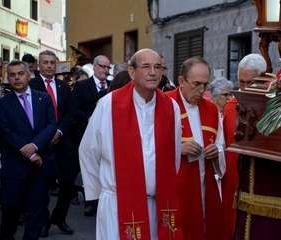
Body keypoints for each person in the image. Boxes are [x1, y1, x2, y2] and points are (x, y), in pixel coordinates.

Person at [79, 48, 184, 239]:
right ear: (131, 71)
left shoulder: (171, 107)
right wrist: (97, 195)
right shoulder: (108, 104)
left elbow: (174, 153)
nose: (153, 72)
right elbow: (88, 150)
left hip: (157, 204)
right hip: (118, 204)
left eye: (158, 67)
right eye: (146, 66)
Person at [166, 56, 226, 239]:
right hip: (176, 186)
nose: (201, 91)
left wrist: (217, 152)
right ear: (181, 81)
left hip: (204, 184)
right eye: (196, 84)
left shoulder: (211, 109)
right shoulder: (164, 104)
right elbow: (148, 146)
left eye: (205, 85)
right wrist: (179, 149)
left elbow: (221, 143)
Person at [0, 60, 56, 240]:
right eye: (12, 75)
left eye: (20, 73)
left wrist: (36, 146)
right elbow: (5, 132)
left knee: (35, 215)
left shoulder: (43, 98)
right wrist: (31, 153)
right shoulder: (3, 103)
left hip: (39, 169)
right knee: (10, 214)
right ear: (8, 77)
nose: (16, 78)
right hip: (14, 168)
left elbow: (51, 125)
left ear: (29, 75)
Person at [29, 50, 76, 237]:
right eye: (45, 62)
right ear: (39, 65)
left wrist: (60, 131)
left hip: (63, 142)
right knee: (41, 187)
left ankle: (59, 218)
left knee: (67, 184)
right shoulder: (31, 85)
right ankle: (43, 221)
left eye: (51, 62)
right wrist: (46, 134)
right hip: (41, 144)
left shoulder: (64, 87)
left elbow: (71, 114)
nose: (49, 65)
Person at [221, 53, 267, 239]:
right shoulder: (230, 107)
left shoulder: (274, 107)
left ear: (264, 78)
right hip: (233, 182)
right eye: (241, 82)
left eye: (251, 82)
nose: (245, 88)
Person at [72, 55, 111, 216]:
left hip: (106, 135)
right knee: (89, 168)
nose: (105, 70)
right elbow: (74, 109)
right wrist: (88, 119)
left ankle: (103, 200)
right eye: (102, 66)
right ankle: (90, 202)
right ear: (94, 67)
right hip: (85, 133)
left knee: (104, 168)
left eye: (107, 67)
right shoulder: (82, 86)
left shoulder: (111, 86)